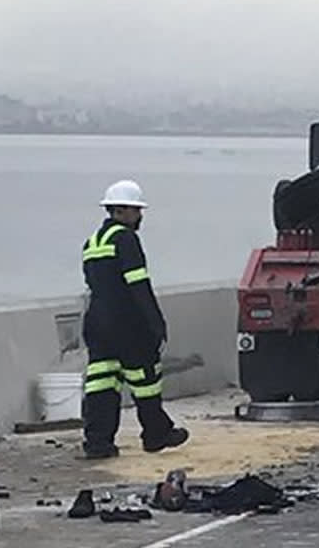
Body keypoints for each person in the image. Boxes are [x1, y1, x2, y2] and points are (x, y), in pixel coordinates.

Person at [80, 179, 188, 460]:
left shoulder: (91, 242)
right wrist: (156, 323)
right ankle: (156, 434)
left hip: (97, 323)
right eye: (137, 211)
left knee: (102, 383)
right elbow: (138, 285)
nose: (140, 216)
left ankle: (98, 442)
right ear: (123, 210)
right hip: (126, 322)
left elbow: (94, 285)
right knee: (146, 379)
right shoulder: (126, 239)